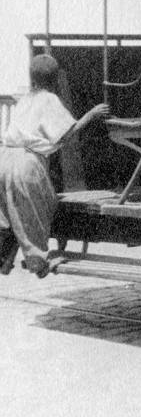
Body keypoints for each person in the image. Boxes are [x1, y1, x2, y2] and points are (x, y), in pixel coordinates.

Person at [0, 55, 109, 277]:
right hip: (26, 162)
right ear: (55, 78)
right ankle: (38, 261)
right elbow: (68, 133)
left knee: (8, 213)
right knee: (38, 209)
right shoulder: (49, 99)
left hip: (4, 158)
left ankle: (4, 258)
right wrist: (92, 114)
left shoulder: (25, 99)